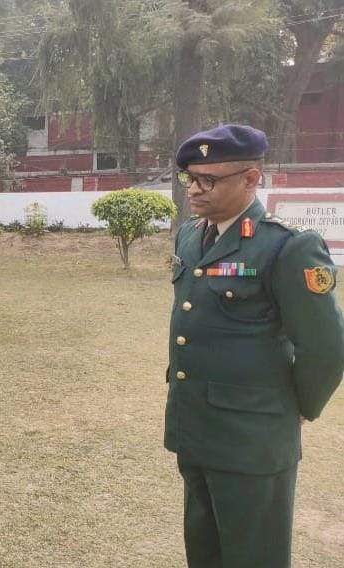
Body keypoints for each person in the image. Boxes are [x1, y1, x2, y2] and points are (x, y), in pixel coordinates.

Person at [165, 124, 344, 567]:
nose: (194, 189)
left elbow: (326, 346)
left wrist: (300, 408)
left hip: (253, 439)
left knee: (254, 557)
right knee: (204, 551)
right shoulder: (191, 235)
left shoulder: (287, 246)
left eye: (208, 180)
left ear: (251, 178)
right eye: (190, 177)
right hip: (197, 428)